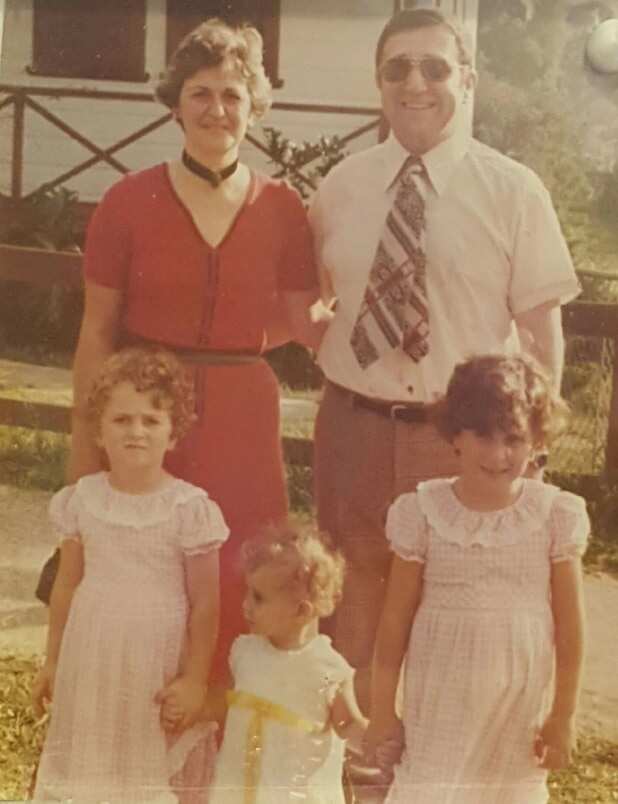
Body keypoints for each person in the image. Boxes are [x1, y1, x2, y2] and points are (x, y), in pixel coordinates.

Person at [308, 8, 582, 710]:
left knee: (451, 612)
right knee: (354, 604)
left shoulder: (514, 189)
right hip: (356, 429)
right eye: (397, 68)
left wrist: (531, 449)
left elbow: (542, 334)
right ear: (379, 83)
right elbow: (309, 301)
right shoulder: (340, 186)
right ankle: (358, 768)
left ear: (468, 78)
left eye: (435, 67)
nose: (416, 83)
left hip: (459, 439)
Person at [67, 18, 318, 688]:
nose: (217, 109)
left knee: (244, 569)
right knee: (143, 569)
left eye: (233, 95)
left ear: (254, 106)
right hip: (150, 409)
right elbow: (97, 331)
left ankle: (224, 754)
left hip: (244, 415)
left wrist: (247, 343)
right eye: (202, 93)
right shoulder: (126, 201)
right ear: (176, 103)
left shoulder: (284, 207)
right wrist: (89, 438)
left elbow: (303, 318)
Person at [365, 354, 589, 803]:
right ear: (455, 435)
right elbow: (394, 621)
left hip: (518, 699)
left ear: (537, 441)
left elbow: (570, 628)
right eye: (482, 436)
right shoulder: (423, 511)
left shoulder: (554, 514)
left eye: (513, 439)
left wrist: (563, 714)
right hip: (442, 691)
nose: (498, 454)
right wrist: (382, 708)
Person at [31, 348, 229, 803]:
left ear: (173, 433)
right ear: (99, 430)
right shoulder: (83, 499)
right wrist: (54, 659)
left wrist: (196, 679)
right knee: (93, 756)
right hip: (92, 651)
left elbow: (206, 604)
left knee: (143, 760)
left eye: (151, 420)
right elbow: (67, 585)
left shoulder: (188, 508)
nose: (136, 431)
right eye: (121, 420)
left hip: (154, 660)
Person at [210, 527, 368, 803]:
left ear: (301, 611)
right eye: (247, 592)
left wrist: (374, 739)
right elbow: (225, 703)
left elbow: (348, 725)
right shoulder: (245, 652)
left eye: (258, 598)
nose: (246, 605)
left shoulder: (327, 667)